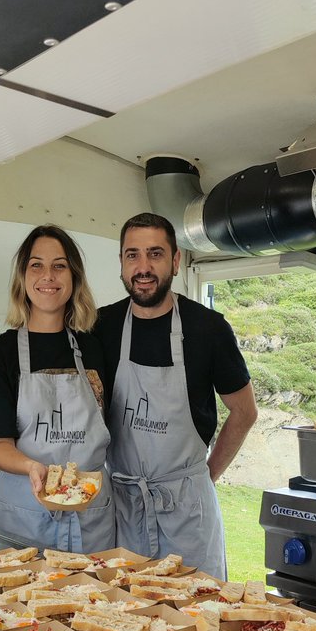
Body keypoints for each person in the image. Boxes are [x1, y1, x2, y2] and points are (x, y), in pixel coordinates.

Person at [94, 212, 257, 578]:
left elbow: (245, 412)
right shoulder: (102, 327)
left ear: (176, 260)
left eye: (155, 253)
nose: (143, 267)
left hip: (188, 512)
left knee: (198, 613)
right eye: (132, 255)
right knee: (126, 614)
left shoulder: (208, 329)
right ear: (121, 262)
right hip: (125, 508)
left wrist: (203, 477)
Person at [0, 225, 114, 553]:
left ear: (74, 277)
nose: (48, 275)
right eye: (37, 265)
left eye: (59, 265)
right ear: (23, 277)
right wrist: (33, 467)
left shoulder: (96, 350)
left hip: (90, 521)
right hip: (24, 520)